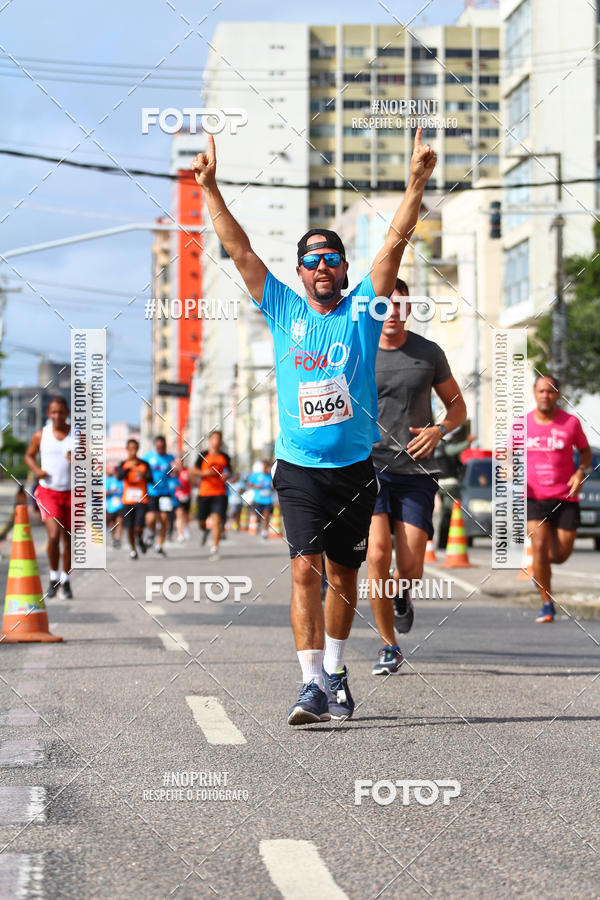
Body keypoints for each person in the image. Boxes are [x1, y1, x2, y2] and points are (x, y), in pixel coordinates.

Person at [191, 126, 436, 725]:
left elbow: (395, 246)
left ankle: (336, 670)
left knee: (343, 578)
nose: (322, 266)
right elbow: (241, 252)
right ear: (300, 271)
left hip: (355, 469)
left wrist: (417, 183)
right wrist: (211, 190)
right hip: (298, 468)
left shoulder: (362, 308)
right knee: (304, 568)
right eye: (311, 260)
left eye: (331, 258)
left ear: (344, 267)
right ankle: (310, 687)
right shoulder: (283, 309)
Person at [366, 281, 467, 674]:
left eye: (399, 305)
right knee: (376, 553)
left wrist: (439, 430)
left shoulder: (428, 353)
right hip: (369, 466)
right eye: (383, 306)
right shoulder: (359, 351)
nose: (391, 312)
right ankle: (388, 645)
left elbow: (458, 408)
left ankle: (401, 593)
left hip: (416, 471)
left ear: (409, 308)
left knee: (410, 567)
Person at [525, 374, 591, 623]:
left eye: (551, 391)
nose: (546, 395)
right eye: (542, 391)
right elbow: (506, 456)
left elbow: (584, 451)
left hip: (566, 496)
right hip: (533, 497)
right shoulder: (522, 425)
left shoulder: (570, 423)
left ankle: (539, 570)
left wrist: (580, 472)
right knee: (539, 546)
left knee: (561, 554)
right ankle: (546, 603)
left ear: (558, 394)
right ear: (535, 393)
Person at [25, 396, 73, 599]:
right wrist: (36, 470)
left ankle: (66, 580)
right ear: (49, 414)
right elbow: (29, 455)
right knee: (54, 535)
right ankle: (53, 578)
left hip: (72, 493)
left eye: (61, 412)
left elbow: (92, 462)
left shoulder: (78, 435)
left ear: (67, 413)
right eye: (54, 412)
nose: (57, 416)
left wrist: (79, 458)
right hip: (47, 492)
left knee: (69, 539)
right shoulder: (40, 435)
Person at [191, 430, 231, 561]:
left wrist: (227, 475)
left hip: (219, 493)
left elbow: (230, 471)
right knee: (201, 522)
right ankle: (205, 530)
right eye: (213, 438)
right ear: (210, 440)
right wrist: (205, 474)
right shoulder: (203, 455)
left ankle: (214, 547)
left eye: (218, 439)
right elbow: (194, 470)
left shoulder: (225, 456)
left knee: (217, 520)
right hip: (204, 493)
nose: (216, 441)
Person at [116, 439, 154, 560]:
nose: (133, 451)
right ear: (127, 449)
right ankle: (133, 549)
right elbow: (119, 476)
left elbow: (151, 479)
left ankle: (140, 540)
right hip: (127, 501)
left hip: (141, 501)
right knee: (129, 528)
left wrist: (144, 475)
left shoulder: (144, 464)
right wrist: (129, 468)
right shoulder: (123, 464)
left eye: (135, 448)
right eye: (130, 448)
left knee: (138, 527)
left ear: (138, 449)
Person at [143, 436, 175, 556]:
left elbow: (175, 473)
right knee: (150, 519)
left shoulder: (170, 458)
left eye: (163, 446)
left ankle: (159, 545)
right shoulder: (147, 457)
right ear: (155, 446)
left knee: (164, 520)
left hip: (165, 492)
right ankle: (151, 532)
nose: (161, 448)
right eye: (158, 446)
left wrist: (176, 467)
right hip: (151, 492)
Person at [247, 460, 274, 539]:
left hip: (268, 500)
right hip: (258, 499)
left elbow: (275, 485)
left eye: (267, 467)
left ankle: (264, 531)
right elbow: (248, 483)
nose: (266, 468)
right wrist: (255, 487)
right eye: (264, 466)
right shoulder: (256, 475)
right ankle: (258, 524)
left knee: (267, 515)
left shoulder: (271, 476)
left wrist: (273, 486)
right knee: (258, 516)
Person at [174, 458, 192, 542]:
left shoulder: (187, 471)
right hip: (177, 496)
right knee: (179, 515)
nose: (179, 464)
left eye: (180, 462)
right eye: (177, 463)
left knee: (186, 515)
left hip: (187, 495)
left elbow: (193, 481)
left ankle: (186, 528)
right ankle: (180, 534)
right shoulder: (173, 472)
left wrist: (189, 478)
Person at [106, 464, 123, 548]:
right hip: (110, 506)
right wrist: (111, 491)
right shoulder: (109, 480)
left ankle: (118, 539)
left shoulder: (123, 481)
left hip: (120, 505)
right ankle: (113, 538)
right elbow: (103, 492)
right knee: (112, 523)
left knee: (120, 522)